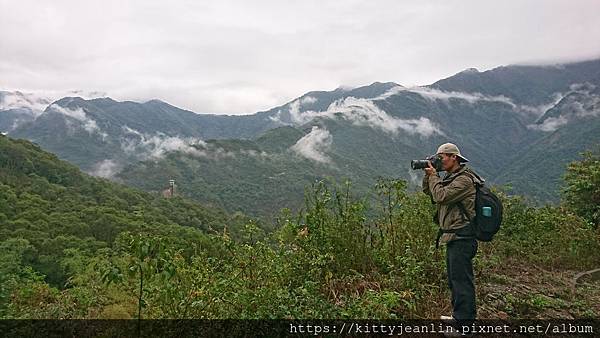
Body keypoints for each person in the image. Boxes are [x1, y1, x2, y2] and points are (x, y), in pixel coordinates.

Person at [422, 143, 481, 329]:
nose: (439, 160)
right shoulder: (452, 177)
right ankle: (458, 317)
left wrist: (434, 177)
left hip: (462, 237)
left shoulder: (465, 180)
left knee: (462, 281)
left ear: (453, 157)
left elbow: (441, 196)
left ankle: (465, 326)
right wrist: (429, 175)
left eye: (441, 157)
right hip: (453, 236)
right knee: (454, 280)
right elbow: (430, 193)